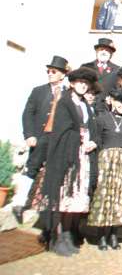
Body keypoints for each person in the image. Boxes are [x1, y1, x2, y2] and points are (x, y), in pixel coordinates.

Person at [40, 67, 99, 256]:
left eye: (86, 83)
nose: (83, 86)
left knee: (74, 201)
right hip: (66, 156)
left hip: (82, 156)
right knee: (62, 197)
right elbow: (62, 130)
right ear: (72, 84)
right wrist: (81, 138)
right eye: (79, 83)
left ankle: (67, 235)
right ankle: (56, 238)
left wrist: (93, 140)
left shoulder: (85, 105)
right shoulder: (65, 102)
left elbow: (91, 127)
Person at [13, 56, 69, 224]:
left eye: (54, 71)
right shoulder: (39, 91)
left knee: (55, 172)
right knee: (31, 168)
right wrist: (29, 135)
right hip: (40, 137)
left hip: (58, 139)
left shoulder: (68, 94)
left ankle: (48, 209)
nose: (50, 74)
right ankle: (19, 203)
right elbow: (27, 114)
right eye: (49, 71)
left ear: (63, 74)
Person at [87, 88, 122, 251]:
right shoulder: (101, 118)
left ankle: (114, 234)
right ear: (111, 101)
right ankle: (101, 235)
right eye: (120, 102)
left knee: (119, 198)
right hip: (106, 161)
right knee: (104, 195)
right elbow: (97, 139)